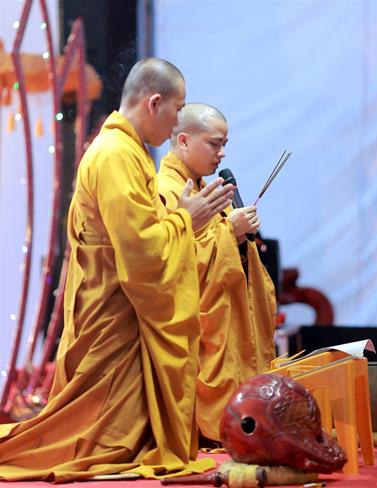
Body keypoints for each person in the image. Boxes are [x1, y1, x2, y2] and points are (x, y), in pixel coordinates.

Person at [0, 59, 234, 481]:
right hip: (114, 310)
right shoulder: (115, 155)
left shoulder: (128, 152)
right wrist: (187, 220)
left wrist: (183, 220)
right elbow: (141, 251)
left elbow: (142, 233)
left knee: (114, 432)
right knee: (92, 438)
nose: (177, 121)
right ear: (154, 102)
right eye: (177, 109)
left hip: (115, 305)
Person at [157, 103, 277, 443]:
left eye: (224, 144)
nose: (222, 153)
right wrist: (228, 233)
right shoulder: (163, 190)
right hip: (192, 329)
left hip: (224, 315)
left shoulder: (205, 190)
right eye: (214, 143)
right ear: (183, 140)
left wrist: (237, 236)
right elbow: (164, 266)